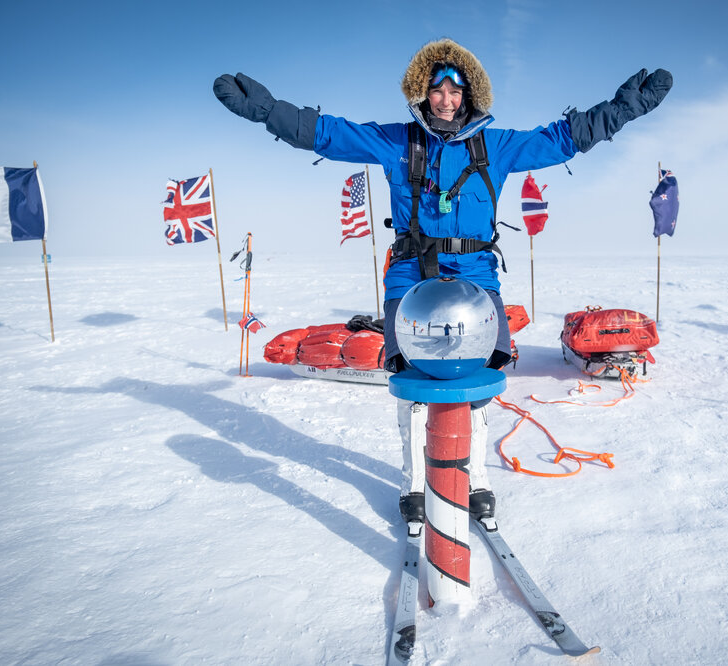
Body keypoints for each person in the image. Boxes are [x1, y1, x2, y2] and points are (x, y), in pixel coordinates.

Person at [213, 38, 671, 525]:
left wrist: (625, 108)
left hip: (475, 275)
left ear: (469, 94)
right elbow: (326, 134)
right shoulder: (397, 141)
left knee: (477, 385)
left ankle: (475, 479)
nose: (447, 99)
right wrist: (267, 112)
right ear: (422, 93)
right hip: (411, 277)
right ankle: (415, 482)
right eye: (437, 89)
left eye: (455, 89)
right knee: (411, 385)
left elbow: (562, 138)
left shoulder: (496, 145)